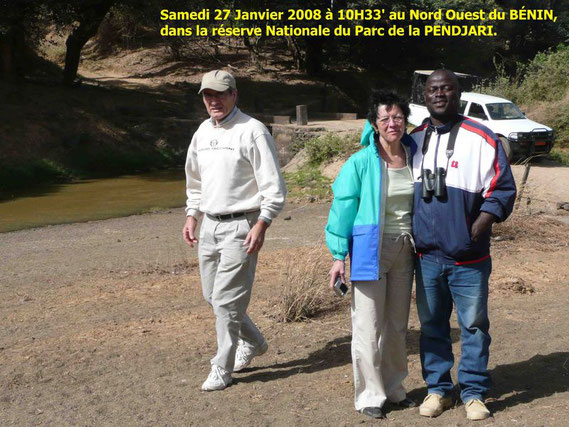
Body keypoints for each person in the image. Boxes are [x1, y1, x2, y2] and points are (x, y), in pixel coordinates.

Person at [409, 69, 516, 420]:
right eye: (433, 89)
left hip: (469, 258)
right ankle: (438, 389)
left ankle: (472, 392)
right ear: (425, 95)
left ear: (458, 93)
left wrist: (479, 225)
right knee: (433, 326)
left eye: (447, 89)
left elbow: (502, 188)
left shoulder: (481, 137)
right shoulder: (413, 140)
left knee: (472, 327)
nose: (440, 94)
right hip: (426, 257)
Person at [183, 70, 286, 391]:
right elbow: (195, 180)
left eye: (220, 94)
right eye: (207, 95)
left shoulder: (253, 131)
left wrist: (262, 222)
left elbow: (274, 186)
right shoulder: (201, 132)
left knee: (227, 302)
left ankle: (221, 367)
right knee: (212, 296)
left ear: (234, 95)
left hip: (243, 226)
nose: (213, 100)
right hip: (210, 225)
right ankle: (253, 341)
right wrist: (192, 215)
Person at [326, 90, 418, 419]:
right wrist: (339, 255)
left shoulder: (414, 154)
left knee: (396, 325)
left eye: (397, 117)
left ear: (405, 120)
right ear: (374, 124)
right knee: (367, 324)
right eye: (385, 118)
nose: (392, 123)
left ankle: (394, 388)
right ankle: (369, 394)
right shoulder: (362, 161)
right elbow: (342, 208)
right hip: (369, 249)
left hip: (405, 250)